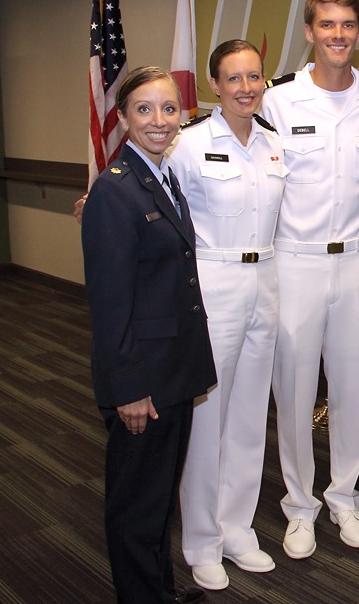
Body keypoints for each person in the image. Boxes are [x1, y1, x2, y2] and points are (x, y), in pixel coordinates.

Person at [260, 0, 359, 560]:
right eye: (327, 25)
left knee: (349, 384)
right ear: (310, 32)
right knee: (292, 389)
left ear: (357, 33)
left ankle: (344, 496)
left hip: (357, 260)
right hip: (296, 260)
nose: (338, 35)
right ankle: (299, 506)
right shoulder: (279, 102)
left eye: (348, 25)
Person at [81, 66, 213, 604]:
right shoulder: (114, 192)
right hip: (145, 380)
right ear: (122, 117)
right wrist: (128, 387)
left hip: (173, 368)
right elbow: (109, 305)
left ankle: (157, 589)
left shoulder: (159, 175)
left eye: (168, 109)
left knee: (159, 497)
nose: (158, 120)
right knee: (137, 504)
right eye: (143, 109)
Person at [169, 40, 286, 590]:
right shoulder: (189, 146)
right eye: (233, 78)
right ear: (215, 85)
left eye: (254, 77)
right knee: (207, 418)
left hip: (265, 282)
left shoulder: (272, 144)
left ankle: (236, 526)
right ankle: (201, 539)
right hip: (213, 285)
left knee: (247, 416)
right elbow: (161, 215)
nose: (246, 88)